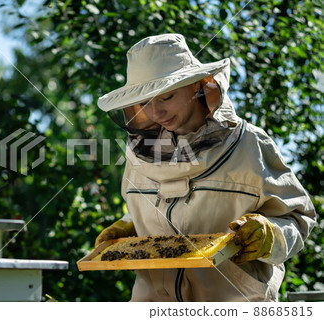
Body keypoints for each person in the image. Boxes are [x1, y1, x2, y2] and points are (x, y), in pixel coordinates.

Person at [95, 34, 316, 302]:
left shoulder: (249, 144)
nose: (156, 113)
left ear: (197, 86)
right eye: (145, 103)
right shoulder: (139, 155)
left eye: (166, 96)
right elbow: (171, 211)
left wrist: (271, 235)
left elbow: (298, 218)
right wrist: (132, 226)